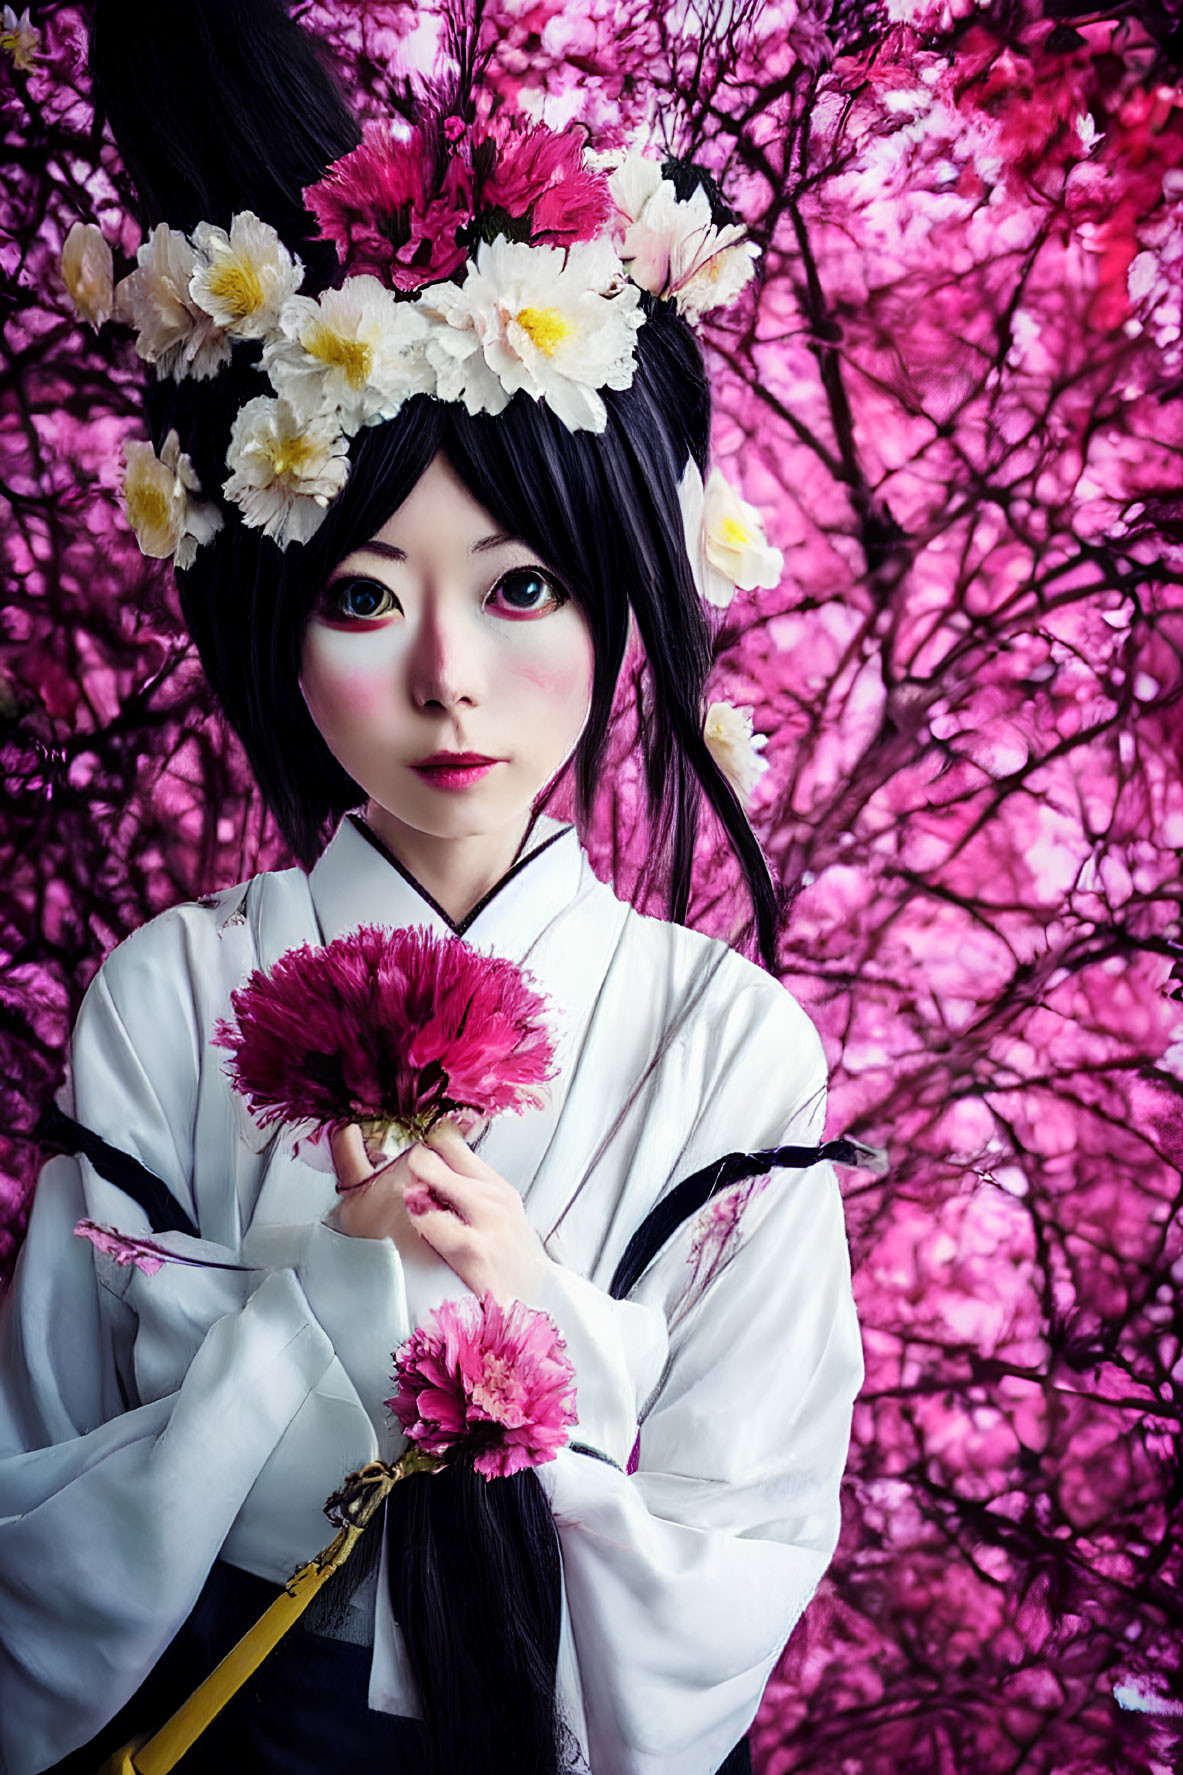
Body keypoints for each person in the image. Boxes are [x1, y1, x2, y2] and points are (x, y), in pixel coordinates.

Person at [0, 3, 863, 1771]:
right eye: (367, 594)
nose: (450, 678)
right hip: (205, 1714)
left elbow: (747, 1519)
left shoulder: (724, 1041)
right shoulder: (172, 992)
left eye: (526, 586)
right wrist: (308, 1294)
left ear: (625, 600)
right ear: (278, 622)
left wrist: (535, 1321)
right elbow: (40, 1464)